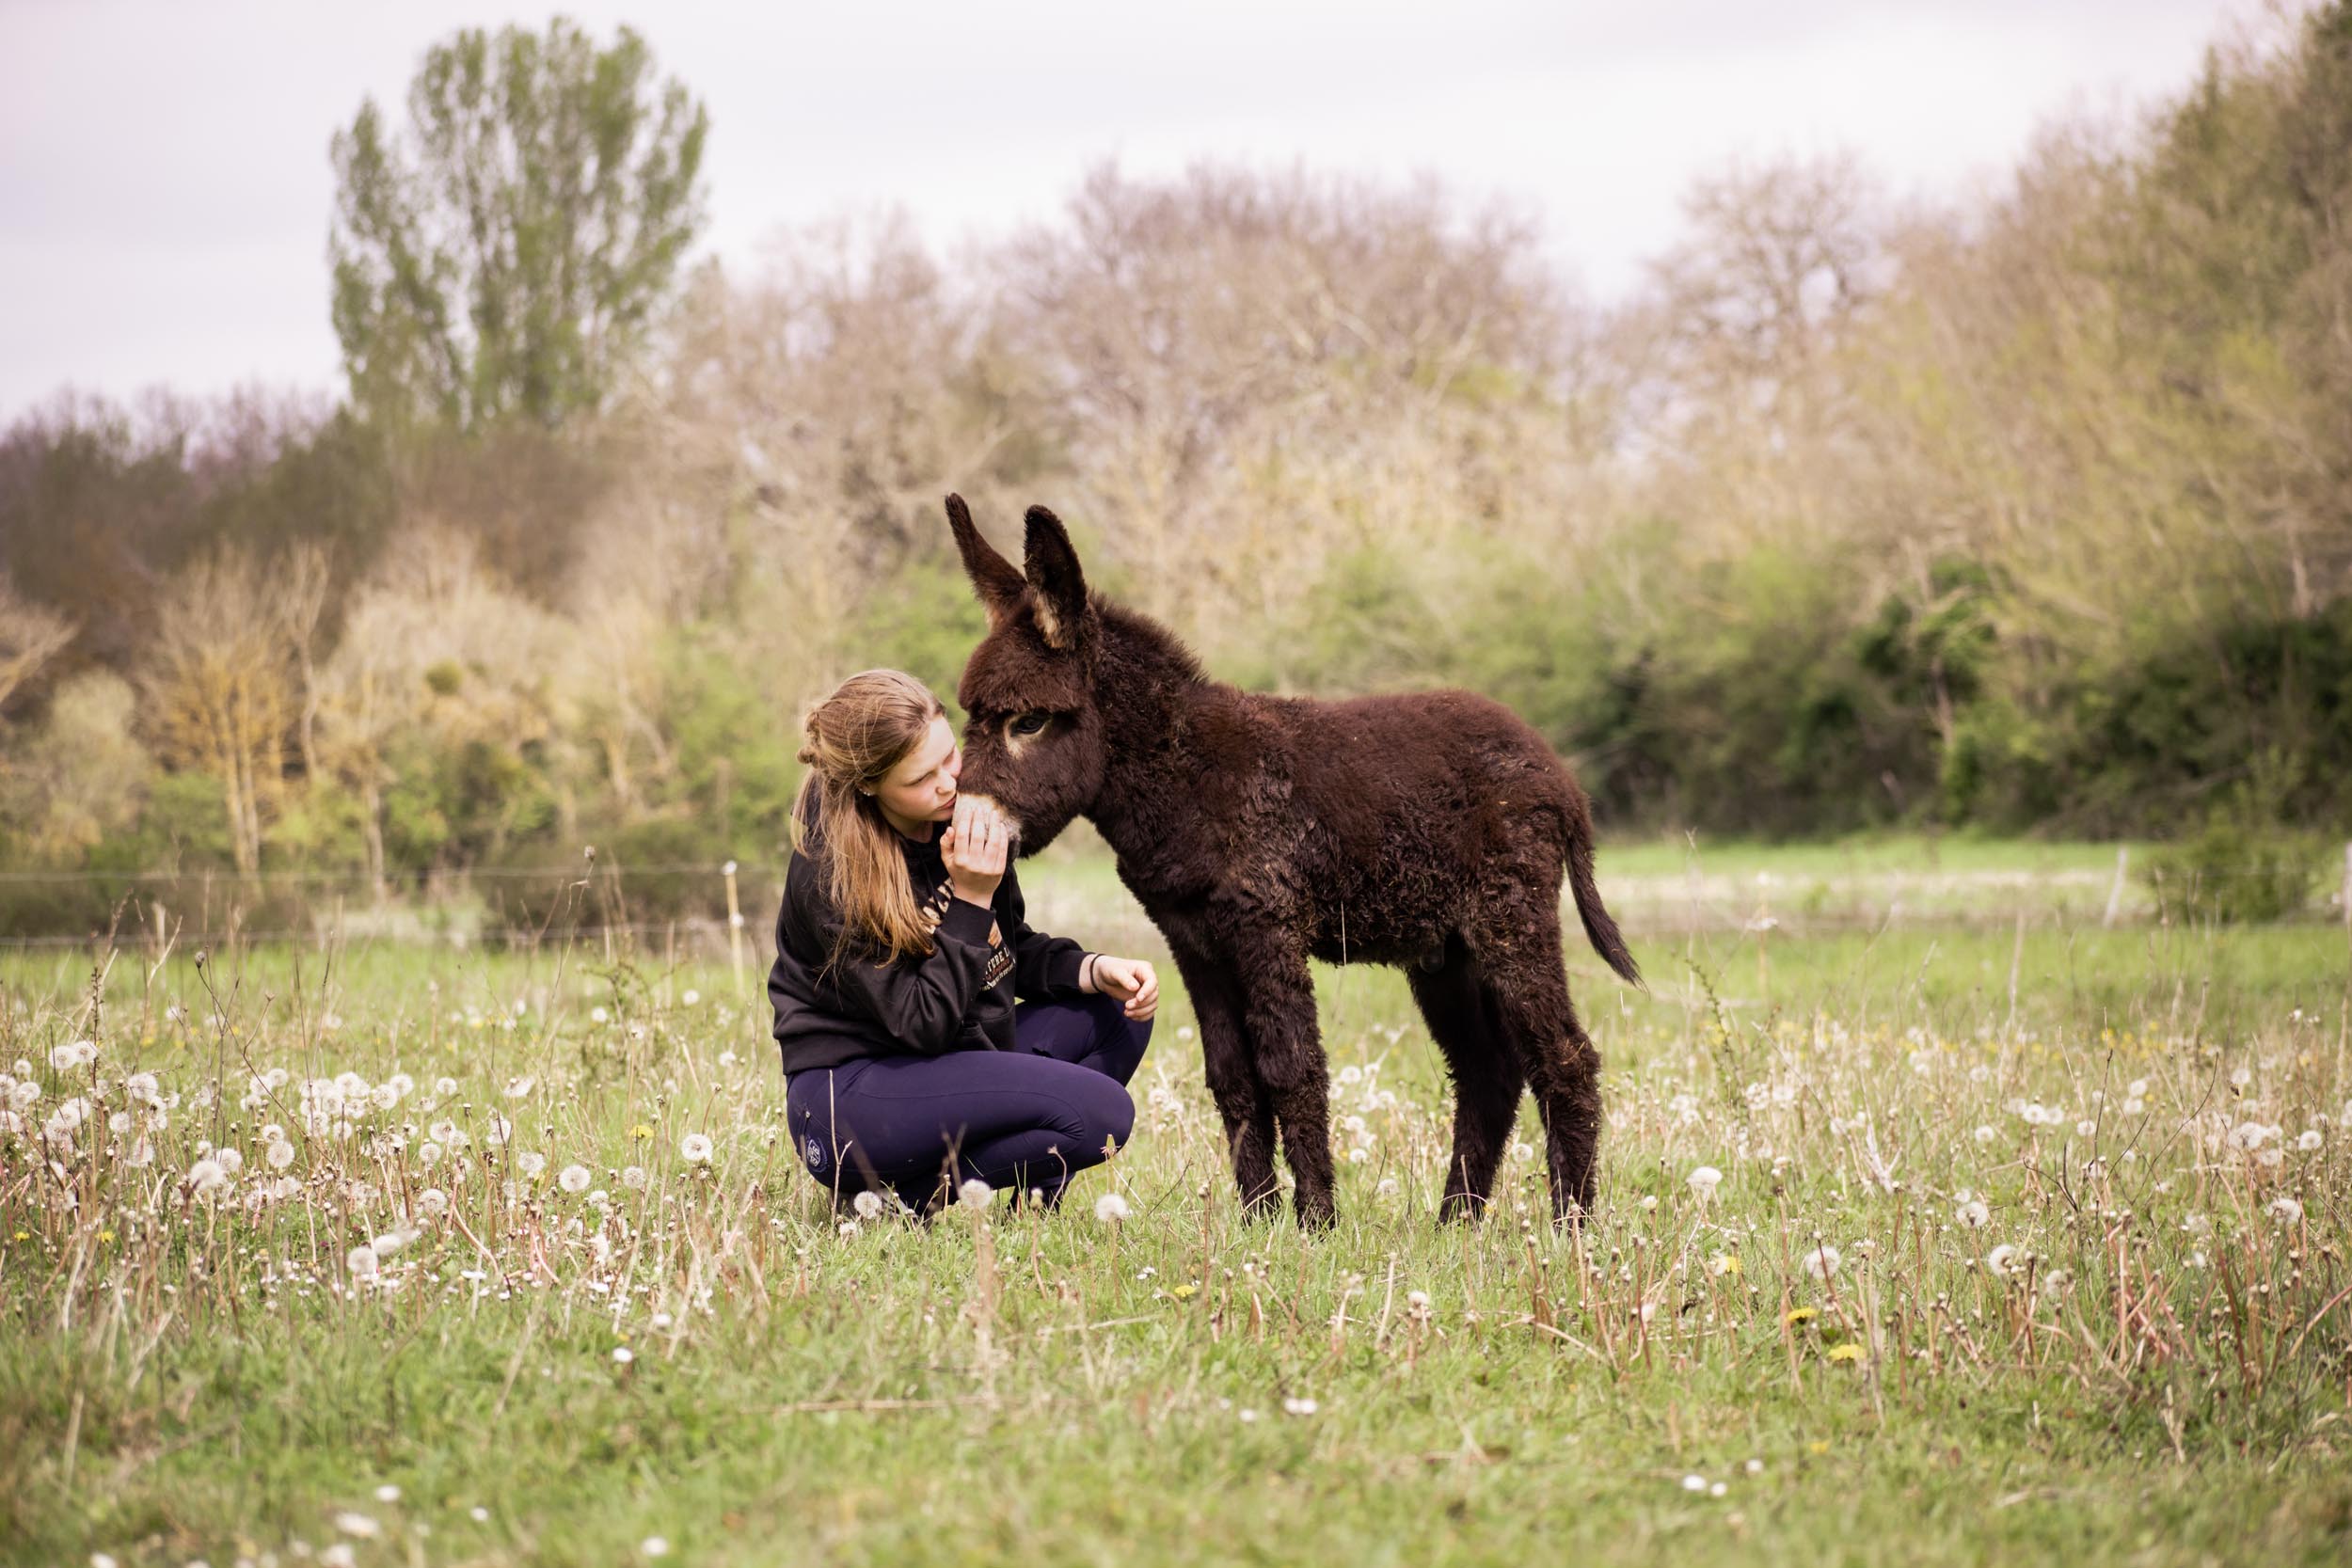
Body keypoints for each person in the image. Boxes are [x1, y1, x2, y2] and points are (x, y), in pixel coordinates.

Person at [770, 668, 1158, 1212]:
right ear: (868, 784)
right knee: (1104, 1117)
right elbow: (922, 1023)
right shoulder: (832, 872)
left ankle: (1030, 1194)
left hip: (952, 1058)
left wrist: (1092, 968)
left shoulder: (960, 816)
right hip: (852, 1097)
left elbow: (1004, 949)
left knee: (1117, 1012)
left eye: (948, 756)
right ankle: (899, 1196)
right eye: (921, 778)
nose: (949, 783)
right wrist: (972, 897)